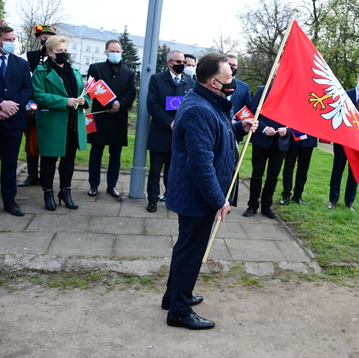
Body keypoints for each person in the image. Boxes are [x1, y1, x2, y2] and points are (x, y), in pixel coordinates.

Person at [162, 52, 256, 330]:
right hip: (197, 196)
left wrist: (239, 127)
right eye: (229, 77)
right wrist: (218, 200)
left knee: (186, 248)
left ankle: (175, 296)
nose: (233, 82)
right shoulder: (199, 108)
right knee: (191, 251)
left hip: (198, 194)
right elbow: (200, 163)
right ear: (214, 82)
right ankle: (178, 310)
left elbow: (217, 134)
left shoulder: (209, 102)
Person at [31, 35, 90, 211]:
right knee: (49, 159)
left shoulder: (75, 71)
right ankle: (48, 192)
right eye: (59, 51)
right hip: (53, 122)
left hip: (72, 122)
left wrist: (83, 100)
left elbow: (85, 91)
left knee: (68, 159)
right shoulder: (41, 71)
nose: (64, 54)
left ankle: (65, 191)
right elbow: (38, 95)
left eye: (65, 50)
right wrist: (64, 101)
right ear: (49, 52)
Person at [86, 39, 136, 198]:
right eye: (112, 51)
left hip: (118, 118)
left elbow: (131, 93)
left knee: (115, 156)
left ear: (122, 52)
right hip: (101, 115)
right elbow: (91, 88)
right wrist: (108, 103)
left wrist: (119, 104)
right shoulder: (96, 68)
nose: (115, 54)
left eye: (117, 51)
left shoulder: (129, 73)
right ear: (106, 51)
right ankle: (93, 184)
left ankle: (112, 185)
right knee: (96, 153)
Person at [145, 50, 194, 212]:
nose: (182, 65)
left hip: (179, 135)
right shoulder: (157, 79)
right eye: (178, 62)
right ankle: (152, 198)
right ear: (169, 63)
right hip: (160, 132)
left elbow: (191, 107)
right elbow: (152, 104)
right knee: (155, 169)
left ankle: (171, 196)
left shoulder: (189, 83)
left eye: (184, 63)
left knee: (173, 169)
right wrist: (169, 122)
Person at [327, 71, 359, 212]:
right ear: (357, 79)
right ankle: (333, 200)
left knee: (354, 173)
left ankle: (349, 202)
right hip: (343, 140)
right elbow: (336, 114)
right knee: (337, 170)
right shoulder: (345, 95)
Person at [242, 85, 290, 219]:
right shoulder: (263, 90)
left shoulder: (292, 92)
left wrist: (287, 130)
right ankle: (252, 205)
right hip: (261, 140)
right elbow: (252, 112)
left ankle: (266, 206)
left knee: (273, 176)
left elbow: (297, 117)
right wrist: (264, 128)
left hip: (280, 142)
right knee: (257, 174)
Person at [0, 23, 33, 216]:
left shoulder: (21, 64)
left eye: (13, 40)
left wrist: (11, 107)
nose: (11, 43)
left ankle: (9, 201)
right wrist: (1, 104)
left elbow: (27, 89)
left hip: (13, 121)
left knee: (10, 163)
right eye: (7, 40)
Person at [19, 23, 57, 187]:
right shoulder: (27, 56)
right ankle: (32, 174)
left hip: (51, 105)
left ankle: (46, 176)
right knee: (32, 142)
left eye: (50, 36)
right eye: (44, 36)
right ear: (38, 37)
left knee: (49, 142)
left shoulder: (58, 57)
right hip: (31, 107)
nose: (47, 39)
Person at [280, 132, 317, 205]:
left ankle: (298, 195)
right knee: (288, 168)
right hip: (294, 137)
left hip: (308, 140)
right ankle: (286, 195)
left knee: (303, 169)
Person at [226, 54, 251, 120]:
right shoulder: (215, 83)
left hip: (236, 126)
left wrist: (237, 121)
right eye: (229, 64)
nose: (231, 67)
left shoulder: (244, 87)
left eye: (234, 65)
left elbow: (247, 109)